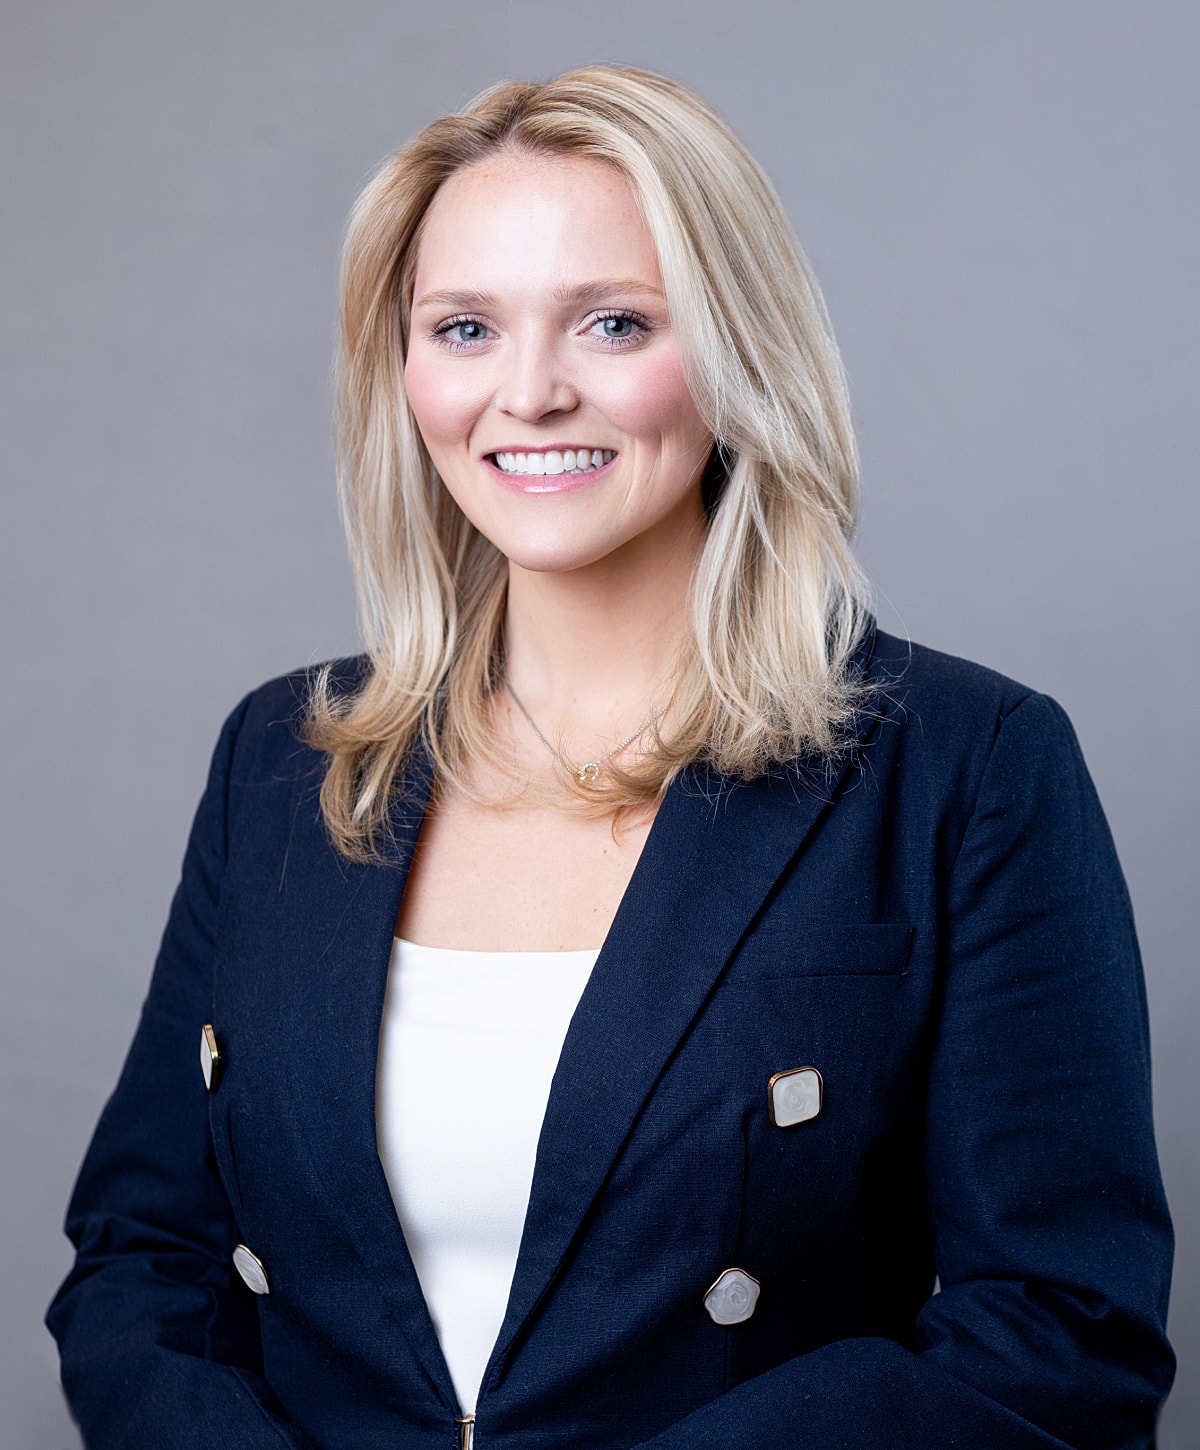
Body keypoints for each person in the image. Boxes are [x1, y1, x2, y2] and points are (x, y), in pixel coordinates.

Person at [47, 65, 1174, 1450]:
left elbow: (1064, 1332)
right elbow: (139, 1261)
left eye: (615, 322)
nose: (529, 392)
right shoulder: (278, 763)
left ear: (734, 349)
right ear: (401, 372)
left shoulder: (970, 764)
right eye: (464, 326)